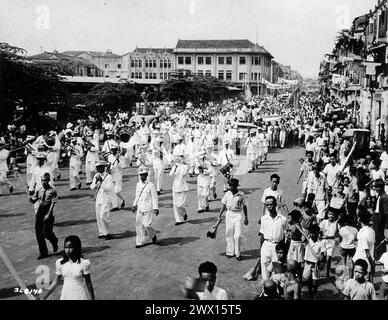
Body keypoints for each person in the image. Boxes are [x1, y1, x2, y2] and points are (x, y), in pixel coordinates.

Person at [39, 235, 95, 300]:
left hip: (79, 296)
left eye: (70, 247)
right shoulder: (60, 263)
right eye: (65, 247)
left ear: (77, 248)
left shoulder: (84, 263)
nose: (67, 250)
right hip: (65, 296)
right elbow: (55, 282)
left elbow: (89, 284)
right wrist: (43, 297)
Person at [29, 172, 58, 259]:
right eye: (42, 180)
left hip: (48, 211)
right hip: (40, 211)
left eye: (45, 180)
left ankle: (54, 240)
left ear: (48, 180)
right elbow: (35, 199)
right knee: (38, 232)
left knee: (46, 232)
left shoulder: (53, 190)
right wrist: (31, 199)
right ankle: (43, 252)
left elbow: (53, 204)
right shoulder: (39, 189)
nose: (43, 182)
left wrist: (48, 214)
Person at [218, 178, 248, 261]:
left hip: (238, 215)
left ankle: (238, 253)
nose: (230, 187)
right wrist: (219, 215)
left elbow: (245, 206)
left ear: (235, 186)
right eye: (229, 185)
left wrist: (246, 217)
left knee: (237, 235)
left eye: (231, 185)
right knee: (229, 233)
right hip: (229, 214)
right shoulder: (227, 194)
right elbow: (223, 205)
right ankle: (230, 252)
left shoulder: (241, 194)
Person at [259, 196, 288, 281]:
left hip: (277, 247)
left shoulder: (282, 219)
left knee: (277, 270)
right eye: (267, 205)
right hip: (266, 245)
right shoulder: (264, 218)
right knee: (265, 269)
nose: (269, 207)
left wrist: (283, 250)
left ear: (275, 204)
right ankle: (266, 289)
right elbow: (262, 235)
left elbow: (285, 235)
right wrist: (261, 250)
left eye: (271, 204)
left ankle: (276, 289)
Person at [131, 166, 159, 248]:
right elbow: (137, 195)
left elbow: (154, 197)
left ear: (147, 175)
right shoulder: (138, 184)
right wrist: (134, 205)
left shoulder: (151, 185)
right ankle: (139, 242)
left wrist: (155, 208)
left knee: (147, 225)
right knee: (138, 225)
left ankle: (153, 235)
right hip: (140, 207)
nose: (142, 176)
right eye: (141, 175)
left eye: (144, 175)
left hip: (148, 208)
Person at [90, 160, 113, 240]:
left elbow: (109, 188)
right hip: (98, 198)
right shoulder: (96, 175)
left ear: (104, 167)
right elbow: (92, 187)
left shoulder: (109, 177)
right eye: (97, 167)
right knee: (98, 216)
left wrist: (101, 181)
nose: (98, 169)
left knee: (103, 216)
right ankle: (101, 232)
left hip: (106, 199)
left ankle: (107, 232)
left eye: (100, 167)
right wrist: (96, 181)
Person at [302, 224, 323, 299]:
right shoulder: (307, 241)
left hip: (315, 265)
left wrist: (320, 260)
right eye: (311, 233)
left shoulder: (321, 243)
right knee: (307, 279)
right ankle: (310, 291)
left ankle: (315, 292)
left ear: (318, 233)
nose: (312, 234)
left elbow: (322, 253)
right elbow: (302, 238)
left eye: (314, 233)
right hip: (307, 263)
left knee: (315, 280)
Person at [353, 210, 375, 281]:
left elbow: (367, 252)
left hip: (363, 264)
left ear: (359, 219)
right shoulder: (371, 231)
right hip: (366, 262)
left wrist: (372, 264)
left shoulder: (363, 234)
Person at [169, 152, 190, 225]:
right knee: (175, 205)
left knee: (180, 205)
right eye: (177, 157)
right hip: (175, 187)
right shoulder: (175, 166)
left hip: (182, 187)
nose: (178, 158)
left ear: (182, 158)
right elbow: (170, 174)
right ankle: (178, 220)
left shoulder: (185, 166)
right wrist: (175, 167)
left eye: (180, 157)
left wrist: (179, 165)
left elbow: (183, 173)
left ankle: (184, 213)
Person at [319, 208, 339, 278]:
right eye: (329, 214)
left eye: (332, 214)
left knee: (328, 258)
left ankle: (327, 273)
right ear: (327, 214)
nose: (331, 216)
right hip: (323, 241)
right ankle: (317, 271)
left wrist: (330, 236)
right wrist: (320, 237)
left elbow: (337, 234)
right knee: (321, 257)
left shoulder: (336, 223)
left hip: (331, 242)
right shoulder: (324, 222)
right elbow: (319, 230)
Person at [107, 143, 126, 211]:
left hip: (118, 175)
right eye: (112, 150)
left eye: (114, 150)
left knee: (116, 191)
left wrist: (118, 160)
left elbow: (123, 166)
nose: (112, 151)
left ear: (117, 150)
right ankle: (115, 206)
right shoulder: (110, 157)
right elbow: (109, 164)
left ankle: (122, 200)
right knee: (112, 191)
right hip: (111, 175)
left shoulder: (121, 157)